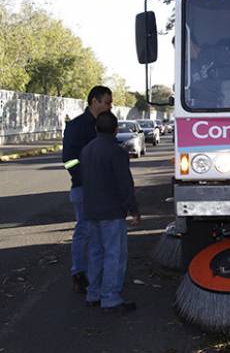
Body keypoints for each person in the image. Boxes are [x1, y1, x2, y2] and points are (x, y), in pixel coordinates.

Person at [81, 111, 140, 314]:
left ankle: (93, 294)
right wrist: (134, 210)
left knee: (95, 253)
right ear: (115, 130)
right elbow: (125, 185)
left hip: (91, 211)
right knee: (114, 255)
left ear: (96, 128)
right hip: (112, 212)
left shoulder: (87, 150)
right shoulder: (117, 152)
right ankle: (111, 298)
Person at [62, 86, 113, 293]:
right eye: (107, 102)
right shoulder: (77, 126)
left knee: (100, 234)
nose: (110, 106)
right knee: (84, 231)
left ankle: (96, 275)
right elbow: (68, 160)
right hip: (84, 189)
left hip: (103, 191)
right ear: (95, 101)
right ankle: (79, 273)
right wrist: (86, 179)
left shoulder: (106, 125)